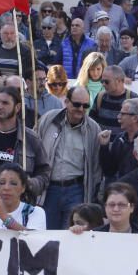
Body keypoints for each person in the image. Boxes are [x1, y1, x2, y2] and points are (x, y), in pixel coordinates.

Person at [37, 86, 102, 229]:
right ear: (66, 102)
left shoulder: (93, 128)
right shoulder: (49, 119)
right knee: (48, 234)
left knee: (72, 235)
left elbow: (96, 167)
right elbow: (36, 149)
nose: (81, 109)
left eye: (85, 105)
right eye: (77, 104)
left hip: (76, 190)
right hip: (49, 189)